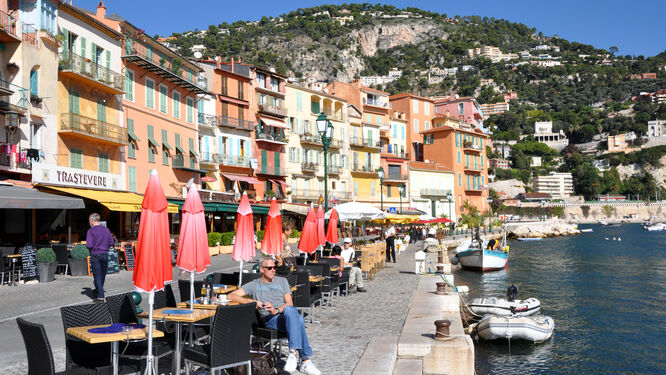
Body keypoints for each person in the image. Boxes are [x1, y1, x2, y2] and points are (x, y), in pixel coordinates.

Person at [229, 258, 321, 375]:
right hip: (270, 320)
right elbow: (231, 296)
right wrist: (252, 302)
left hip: (282, 314)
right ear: (262, 269)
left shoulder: (282, 281)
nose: (273, 270)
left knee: (290, 311)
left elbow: (289, 303)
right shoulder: (254, 285)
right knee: (299, 320)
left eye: (274, 267)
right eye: (270, 268)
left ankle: (292, 353)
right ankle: (305, 361)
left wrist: (276, 310)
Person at [86, 213, 114, 302]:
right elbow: (111, 242)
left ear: (91, 220)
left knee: (97, 276)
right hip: (105, 254)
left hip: (95, 254)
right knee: (102, 275)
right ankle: (98, 291)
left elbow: (89, 245)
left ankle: (100, 297)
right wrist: (105, 247)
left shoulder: (90, 231)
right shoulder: (106, 230)